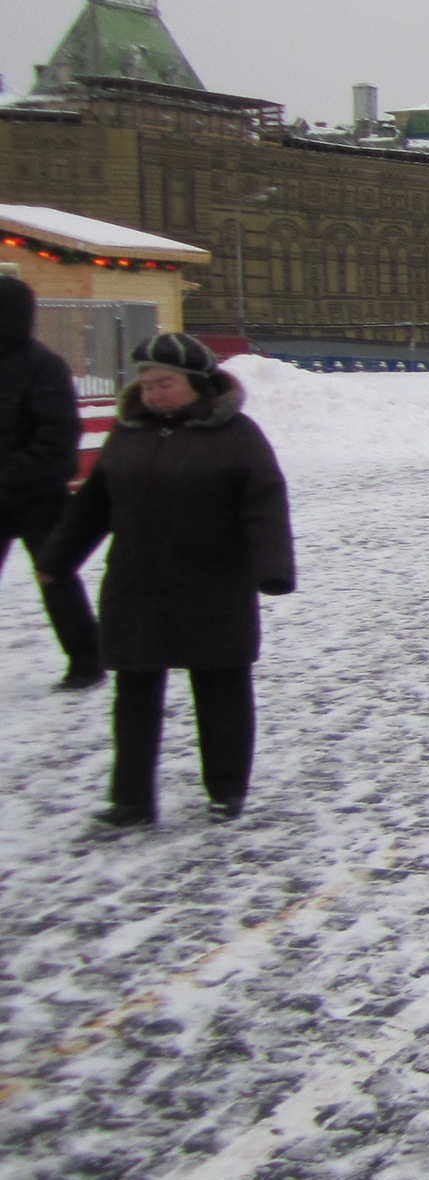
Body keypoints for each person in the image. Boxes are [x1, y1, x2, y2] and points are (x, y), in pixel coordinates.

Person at [37, 334, 294, 826]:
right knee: (134, 695)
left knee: (220, 690)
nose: (152, 394)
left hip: (213, 587)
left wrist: (273, 568)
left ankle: (226, 790)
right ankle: (131, 800)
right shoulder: (129, 432)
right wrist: (57, 559)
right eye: (147, 384)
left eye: (165, 384)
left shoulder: (237, 435)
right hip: (137, 585)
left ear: (196, 384)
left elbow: (264, 504)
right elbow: (93, 505)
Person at [0, 277, 102, 690]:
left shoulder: (44, 366)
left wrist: (12, 473)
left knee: (55, 576)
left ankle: (87, 661)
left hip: (39, 497)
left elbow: (58, 437)